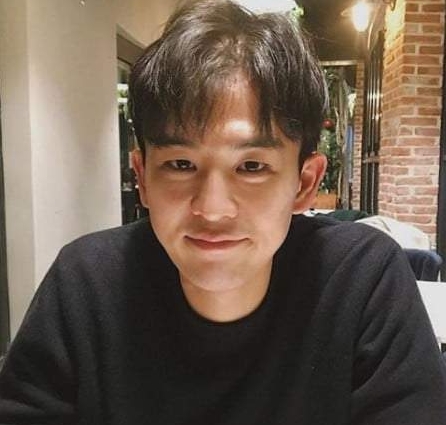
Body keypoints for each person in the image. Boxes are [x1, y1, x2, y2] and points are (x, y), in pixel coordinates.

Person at [1, 0, 446, 424]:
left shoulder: (360, 279)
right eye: (180, 164)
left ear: (304, 183)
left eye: (252, 167)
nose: (212, 209)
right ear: (142, 177)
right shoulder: (86, 282)